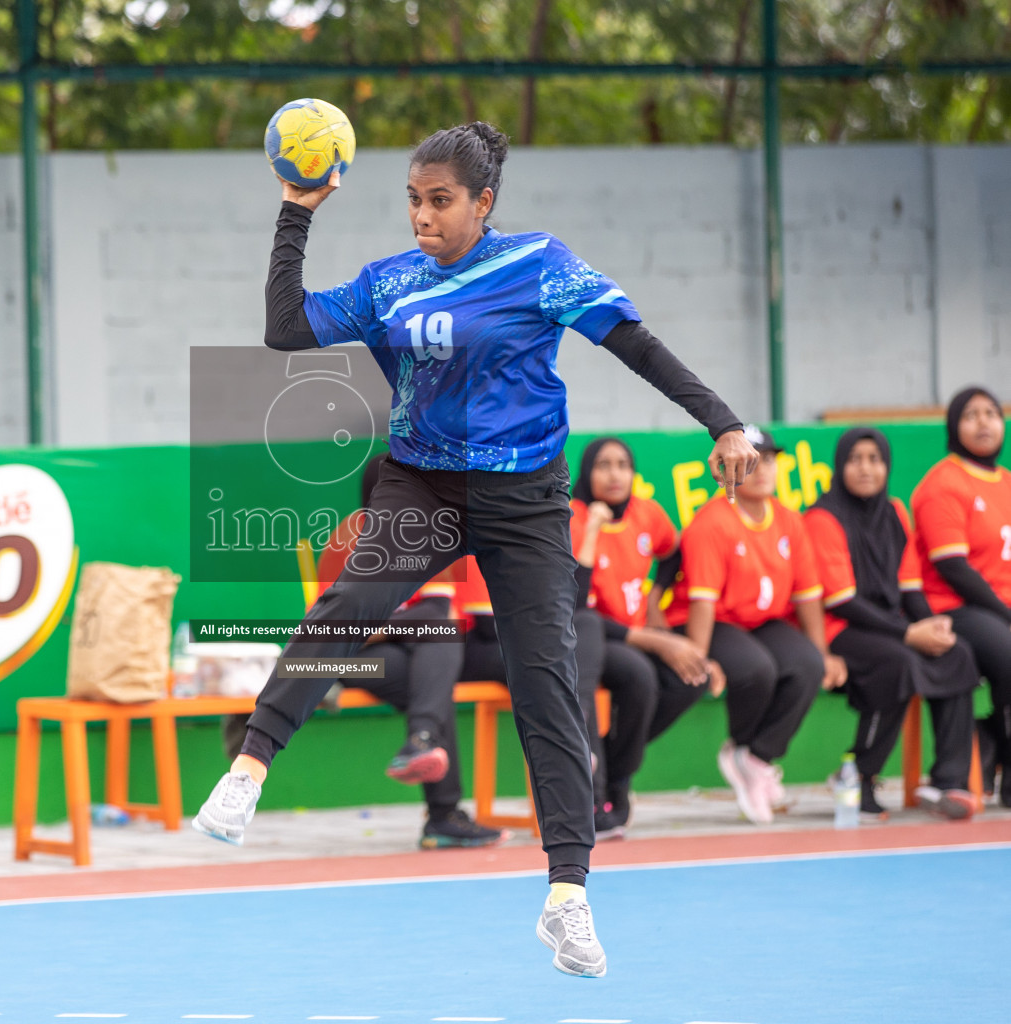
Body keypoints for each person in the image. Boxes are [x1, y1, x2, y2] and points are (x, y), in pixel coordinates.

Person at [193, 121, 755, 978]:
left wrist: (721, 420)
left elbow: (633, 343)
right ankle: (249, 769)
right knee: (346, 606)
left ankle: (567, 895)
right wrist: (295, 212)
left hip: (525, 498)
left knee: (547, 682)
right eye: (413, 200)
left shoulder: (539, 265)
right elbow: (284, 330)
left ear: (482, 203)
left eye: (440, 200)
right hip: (422, 484)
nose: (423, 215)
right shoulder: (390, 282)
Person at [315, 454, 506, 849]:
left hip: (410, 652)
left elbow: (435, 610)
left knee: (433, 668)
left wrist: (380, 628)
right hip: (352, 659)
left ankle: (422, 747)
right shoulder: (343, 543)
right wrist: (393, 630)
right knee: (432, 679)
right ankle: (441, 813)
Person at [665, 426, 846, 824]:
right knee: (755, 667)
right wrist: (698, 656)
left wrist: (824, 651)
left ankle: (757, 758)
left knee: (809, 665)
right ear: (729, 468)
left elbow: (808, 596)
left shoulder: (789, 520)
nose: (762, 468)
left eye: (768, 459)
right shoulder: (712, 522)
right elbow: (702, 602)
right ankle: (741, 747)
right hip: (711, 621)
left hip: (761, 619)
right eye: (750, 460)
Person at [804, 427, 979, 820]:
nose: (866, 469)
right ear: (840, 466)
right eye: (855, 459)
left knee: (958, 653)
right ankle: (859, 775)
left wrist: (931, 626)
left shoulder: (896, 511)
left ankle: (948, 781)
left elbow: (909, 585)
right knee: (896, 662)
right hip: (840, 630)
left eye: (875, 459)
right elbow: (841, 600)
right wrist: (908, 633)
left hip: (893, 624)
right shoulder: (822, 517)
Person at [569, 437, 719, 839]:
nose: (615, 474)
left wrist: (656, 597)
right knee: (640, 676)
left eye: (622, 464)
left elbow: (674, 553)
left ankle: (616, 764)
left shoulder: (647, 513)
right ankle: (614, 784)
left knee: (694, 676)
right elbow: (574, 604)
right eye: (603, 465)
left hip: (635, 633)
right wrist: (594, 528)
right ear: (587, 472)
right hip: (592, 636)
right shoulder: (574, 516)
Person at [911, 387, 1011, 807]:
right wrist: (1006, 613)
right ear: (954, 425)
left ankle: (989, 736)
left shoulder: (1006, 482)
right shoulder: (942, 483)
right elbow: (954, 568)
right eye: (971, 415)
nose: (984, 422)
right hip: (955, 608)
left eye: (991, 413)